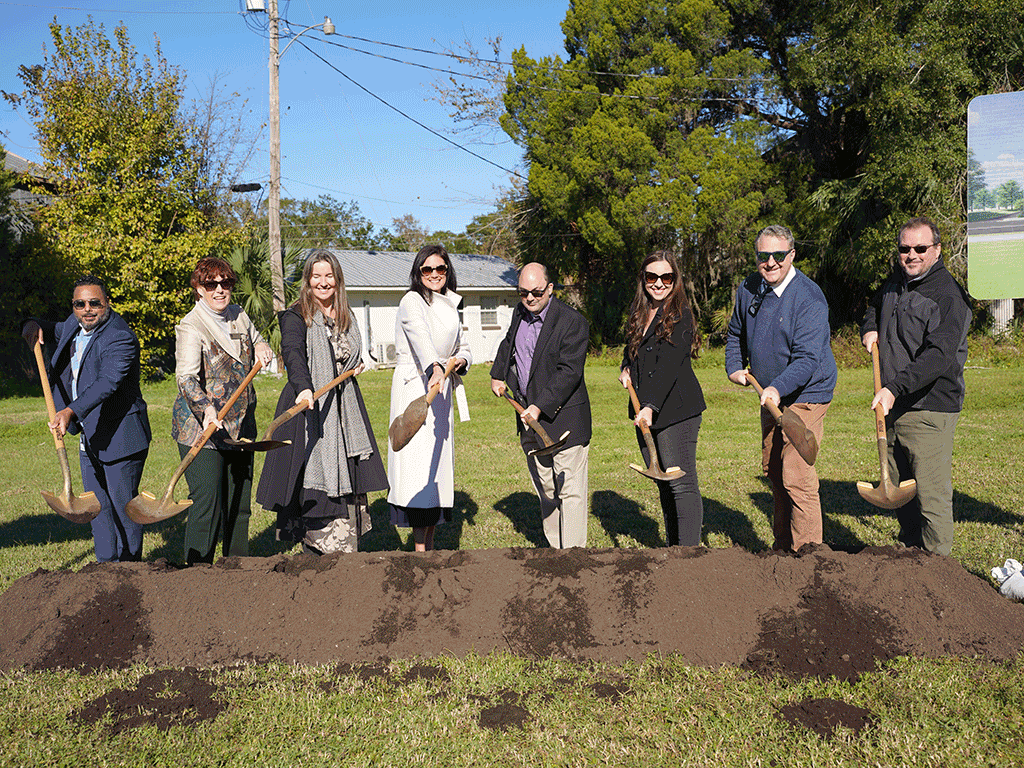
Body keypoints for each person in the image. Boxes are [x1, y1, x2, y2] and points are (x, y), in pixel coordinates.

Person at [256, 251, 388, 554]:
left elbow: (348, 352)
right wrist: (303, 387)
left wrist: (355, 364)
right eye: (316, 276)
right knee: (318, 475)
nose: (323, 282)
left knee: (347, 475)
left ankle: (343, 549)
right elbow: (293, 354)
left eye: (329, 276)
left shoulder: (346, 316)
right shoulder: (296, 315)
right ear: (307, 280)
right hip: (310, 407)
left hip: (345, 409)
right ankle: (319, 548)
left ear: (337, 280)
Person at [860, 216, 971, 556]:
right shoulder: (897, 281)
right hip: (894, 403)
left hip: (928, 408)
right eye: (905, 248)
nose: (912, 255)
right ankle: (910, 562)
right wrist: (869, 327)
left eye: (921, 248)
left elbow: (937, 356)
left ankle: (940, 572)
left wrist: (895, 388)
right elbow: (874, 305)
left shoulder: (949, 296)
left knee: (931, 495)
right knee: (901, 489)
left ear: (937, 250)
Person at [21, 275, 151, 562]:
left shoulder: (120, 337)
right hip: (89, 433)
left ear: (107, 303)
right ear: (74, 305)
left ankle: (130, 572)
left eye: (95, 303)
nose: (87, 309)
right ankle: (104, 570)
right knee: (98, 508)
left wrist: (69, 411)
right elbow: (51, 329)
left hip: (121, 436)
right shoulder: (74, 323)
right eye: (80, 304)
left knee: (123, 510)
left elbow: (106, 383)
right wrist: (31, 326)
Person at [725, 225, 837, 552]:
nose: (770, 262)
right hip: (770, 393)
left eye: (778, 255)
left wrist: (775, 387)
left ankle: (811, 558)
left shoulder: (809, 298)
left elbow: (807, 359)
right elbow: (735, 334)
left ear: (791, 255)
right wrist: (734, 365)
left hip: (807, 395)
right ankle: (782, 552)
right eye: (763, 255)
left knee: (797, 475)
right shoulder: (749, 288)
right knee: (775, 472)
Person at [171, 256, 275, 565]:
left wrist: (261, 346)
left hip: (241, 425)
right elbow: (186, 378)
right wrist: (205, 409)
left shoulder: (238, 315)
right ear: (198, 289)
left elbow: (256, 339)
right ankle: (198, 572)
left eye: (225, 283)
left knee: (239, 502)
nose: (219, 290)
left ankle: (236, 569)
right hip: (202, 429)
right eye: (211, 284)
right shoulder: (191, 326)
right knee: (207, 501)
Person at [490, 262, 592, 549]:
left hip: (564, 418)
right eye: (523, 292)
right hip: (528, 418)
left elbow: (569, 372)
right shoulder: (519, 313)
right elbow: (508, 344)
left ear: (550, 288)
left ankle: (572, 557)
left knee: (569, 491)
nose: (530, 298)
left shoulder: (573, 322)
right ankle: (555, 550)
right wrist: (497, 374)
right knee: (547, 490)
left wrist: (539, 406)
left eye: (536, 291)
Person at [618, 252, 706, 546]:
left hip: (676, 410)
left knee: (680, 484)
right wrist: (625, 368)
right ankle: (674, 551)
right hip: (644, 409)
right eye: (651, 277)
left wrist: (651, 406)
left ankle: (689, 554)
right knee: (664, 485)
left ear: (675, 280)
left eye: (666, 277)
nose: (658, 283)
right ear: (643, 279)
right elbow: (631, 350)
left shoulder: (680, 314)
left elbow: (671, 363)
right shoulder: (640, 312)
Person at [387, 244, 471, 552]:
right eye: (427, 269)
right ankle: (420, 551)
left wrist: (459, 361)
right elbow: (419, 337)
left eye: (441, 269)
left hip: (441, 391)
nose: (434, 274)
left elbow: (464, 345)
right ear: (418, 272)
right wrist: (434, 366)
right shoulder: (412, 301)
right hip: (417, 389)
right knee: (420, 473)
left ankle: (430, 545)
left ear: (448, 272)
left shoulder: (451, 303)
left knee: (438, 474)